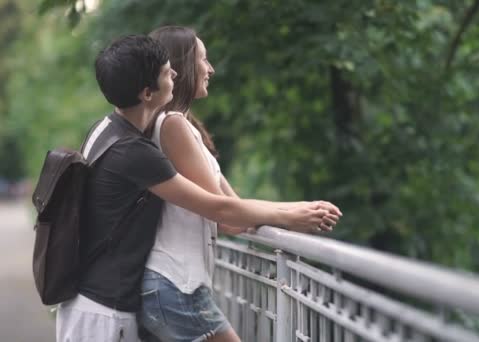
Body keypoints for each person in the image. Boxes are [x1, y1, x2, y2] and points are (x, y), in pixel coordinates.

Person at [56, 34, 338, 342]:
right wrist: (289, 216)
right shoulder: (133, 151)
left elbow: (225, 207)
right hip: (111, 305)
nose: (175, 73)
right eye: (167, 71)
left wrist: (293, 209)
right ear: (148, 92)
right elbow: (218, 209)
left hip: (105, 299)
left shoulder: (108, 130)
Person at [136, 26, 342, 342]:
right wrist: (291, 216)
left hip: (177, 285)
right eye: (203, 60)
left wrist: (301, 209)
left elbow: (234, 211)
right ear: (181, 69)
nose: (210, 69)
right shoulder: (172, 126)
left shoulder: (186, 128)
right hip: (174, 284)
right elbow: (227, 215)